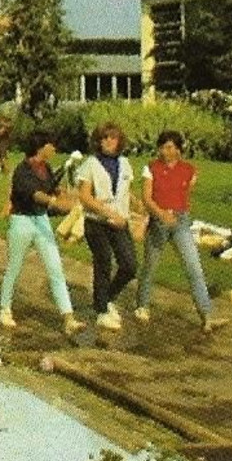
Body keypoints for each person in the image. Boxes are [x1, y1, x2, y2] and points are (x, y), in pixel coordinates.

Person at [134, 130, 229, 337]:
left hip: (180, 221)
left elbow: (185, 192)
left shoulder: (189, 170)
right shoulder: (151, 168)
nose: (164, 151)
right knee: (150, 265)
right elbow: (146, 197)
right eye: (162, 147)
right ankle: (142, 304)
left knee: (193, 266)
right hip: (159, 220)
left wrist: (177, 212)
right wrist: (159, 214)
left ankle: (206, 315)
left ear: (178, 149)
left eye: (169, 147)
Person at [0, 131, 86, 339]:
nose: (54, 149)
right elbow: (34, 194)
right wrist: (55, 202)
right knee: (15, 267)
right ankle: (5, 308)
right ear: (40, 147)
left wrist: (67, 198)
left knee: (56, 268)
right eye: (51, 145)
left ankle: (68, 318)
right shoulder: (23, 170)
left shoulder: (45, 169)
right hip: (22, 221)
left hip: (41, 220)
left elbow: (51, 189)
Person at [77, 122, 137, 337]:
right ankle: (102, 310)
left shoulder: (125, 163)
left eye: (113, 138)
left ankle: (106, 297)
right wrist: (108, 213)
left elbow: (126, 191)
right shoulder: (90, 164)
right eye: (105, 138)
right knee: (103, 262)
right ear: (98, 141)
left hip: (120, 222)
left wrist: (138, 209)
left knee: (129, 265)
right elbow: (84, 197)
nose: (109, 142)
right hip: (97, 221)